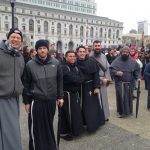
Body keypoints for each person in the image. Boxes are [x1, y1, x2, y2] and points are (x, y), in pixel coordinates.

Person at [22, 39, 64, 150]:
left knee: (49, 126)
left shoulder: (56, 63)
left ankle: (49, 146)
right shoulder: (30, 65)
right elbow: (26, 84)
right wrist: (26, 101)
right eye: (40, 48)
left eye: (44, 48)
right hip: (37, 101)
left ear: (47, 49)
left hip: (51, 101)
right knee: (36, 127)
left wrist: (60, 97)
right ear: (36, 50)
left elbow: (60, 81)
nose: (42, 50)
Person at [0, 28, 24, 150]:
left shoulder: (19, 55)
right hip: (2, 97)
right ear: (8, 38)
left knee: (11, 129)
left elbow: (20, 75)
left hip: (14, 98)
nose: (15, 39)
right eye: (13, 37)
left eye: (18, 38)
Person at [76, 45, 105, 133]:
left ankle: (92, 126)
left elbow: (96, 74)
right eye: (80, 52)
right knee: (81, 107)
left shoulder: (91, 61)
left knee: (90, 107)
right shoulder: (75, 62)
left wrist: (96, 87)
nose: (82, 53)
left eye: (83, 51)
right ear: (77, 53)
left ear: (86, 52)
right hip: (80, 87)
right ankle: (83, 123)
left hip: (90, 86)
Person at [110, 46, 141, 118]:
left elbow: (137, 70)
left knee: (128, 98)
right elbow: (111, 69)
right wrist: (116, 72)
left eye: (127, 52)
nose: (125, 53)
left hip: (129, 83)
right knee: (121, 98)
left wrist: (138, 77)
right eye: (123, 52)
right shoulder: (116, 61)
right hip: (120, 83)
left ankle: (128, 111)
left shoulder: (132, 61)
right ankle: (121, 112)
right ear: (121, 52)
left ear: (129, 53)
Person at [60, 51, 84, 140]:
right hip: (67, 95)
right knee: (66, 114)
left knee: (75, 113)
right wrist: (77, 79)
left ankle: (74, 130)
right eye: (70, 56)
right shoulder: (63, 67)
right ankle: (64, 132)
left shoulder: (76, 67)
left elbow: (82, 78)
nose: (72, 58)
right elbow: (73, 79)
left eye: (74, 56)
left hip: (74, 94)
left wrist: (77, 79)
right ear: (65, 57)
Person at [90, 40, 111, 121]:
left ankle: (105, 116)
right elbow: (91, 72)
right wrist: (102, 79)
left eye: (99, 46)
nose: (97, 47)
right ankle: (98, 117)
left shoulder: (103, 56)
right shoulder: (90, 57)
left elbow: (107, 68)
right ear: (93, 47)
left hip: (104, 81)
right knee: (97, 100)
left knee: (104, 100)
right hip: (95, 82)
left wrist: (107, 79)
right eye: (96, 46)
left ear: (101, 46)